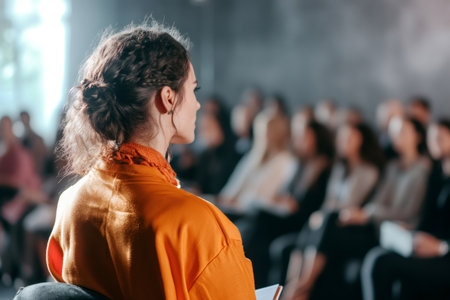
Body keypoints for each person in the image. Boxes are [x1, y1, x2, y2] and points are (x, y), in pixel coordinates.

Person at [46, 23, 256, 300]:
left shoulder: (70, 202)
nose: (197, 104)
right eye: (193, 90)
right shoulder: (198, 225)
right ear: (168, 98)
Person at [281, 122, 384, 300]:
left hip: (352, 226)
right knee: (314, 220)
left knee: (326, 218)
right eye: (342, 138)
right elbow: (329, 201)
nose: (344, 142)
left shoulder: (368, 171)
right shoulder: (339, 168)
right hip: (332, 222)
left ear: (360, 142)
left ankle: (305, 284)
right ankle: (293, 283)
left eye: (349, 138)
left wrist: (325, 214)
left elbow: (351, 204)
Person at [361, 119, 450, 300]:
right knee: (377, 255)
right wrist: (413, 232)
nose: (434, 141)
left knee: (381, 262)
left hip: (445, 254)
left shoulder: (426, 170)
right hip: (429, 245)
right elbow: (430, 218)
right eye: (431, 137)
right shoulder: (436, 174)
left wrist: (442, 247)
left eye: (440, 137)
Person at [218, 109, 296, 214]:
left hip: (254, 213)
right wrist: (225, 200)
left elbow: (263, 196)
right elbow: (231, 189)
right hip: (233, 208)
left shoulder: (285, 160)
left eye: (269, 131)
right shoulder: (253, 156)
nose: (264, 135)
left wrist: (238, 203)